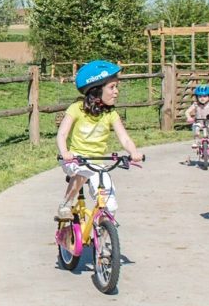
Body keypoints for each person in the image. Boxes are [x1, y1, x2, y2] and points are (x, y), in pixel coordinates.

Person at [55, 60, 144, 220]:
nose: (116, 91)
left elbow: (124, 138)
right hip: (74, 158)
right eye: (112, 87)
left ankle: (102, 234)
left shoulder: (111, 114)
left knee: (110, 203)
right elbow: (62, 134)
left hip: (97, 161)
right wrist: (65, 152)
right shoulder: (76, 109)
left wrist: (133, 152)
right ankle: (66, 204)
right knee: (81, 172)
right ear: (96, 90)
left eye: (116, 87)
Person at [184, 83, 209, 164]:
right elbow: (187, 111)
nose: (202, 98)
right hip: (199, 123)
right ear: (197, 97)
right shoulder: (195, 105)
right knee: (196, 127)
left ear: (208, 96)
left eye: (205, 96)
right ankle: (196, 141)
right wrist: (189, 117)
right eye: (200, 96)